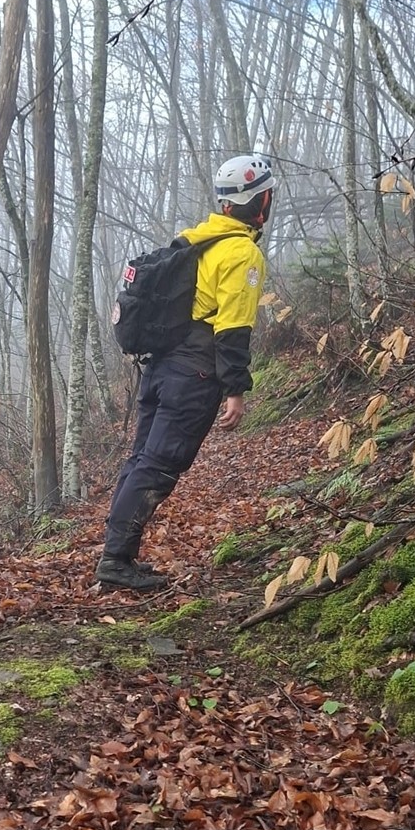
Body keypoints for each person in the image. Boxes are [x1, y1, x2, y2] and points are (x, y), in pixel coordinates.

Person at [95, 154, 273, 590]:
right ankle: (115, 561)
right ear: (260, 202)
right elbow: (232, 328)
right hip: (193, 374)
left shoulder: (199, 239)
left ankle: (119, 555)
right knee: (158, 466)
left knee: (141, 459)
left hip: (161, 368)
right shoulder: (241, 252)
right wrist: (235, 389)